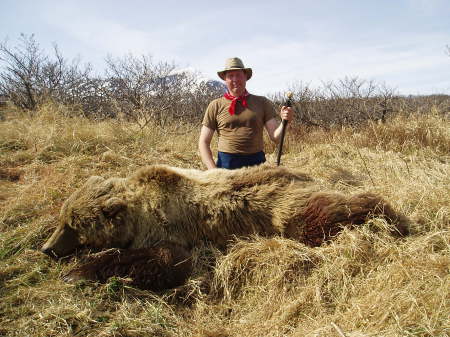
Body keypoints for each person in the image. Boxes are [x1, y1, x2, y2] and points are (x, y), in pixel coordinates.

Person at [199, 57, 294, 170]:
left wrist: (285, 122)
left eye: (238, 75)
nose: (235, 79)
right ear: (225, 79)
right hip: (226, 167)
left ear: (245, 77)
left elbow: (276, 138)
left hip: (257, 166)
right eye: (230, 76)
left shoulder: (262, 102)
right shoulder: (215, 105)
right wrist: (213, 171)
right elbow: (203, 142)